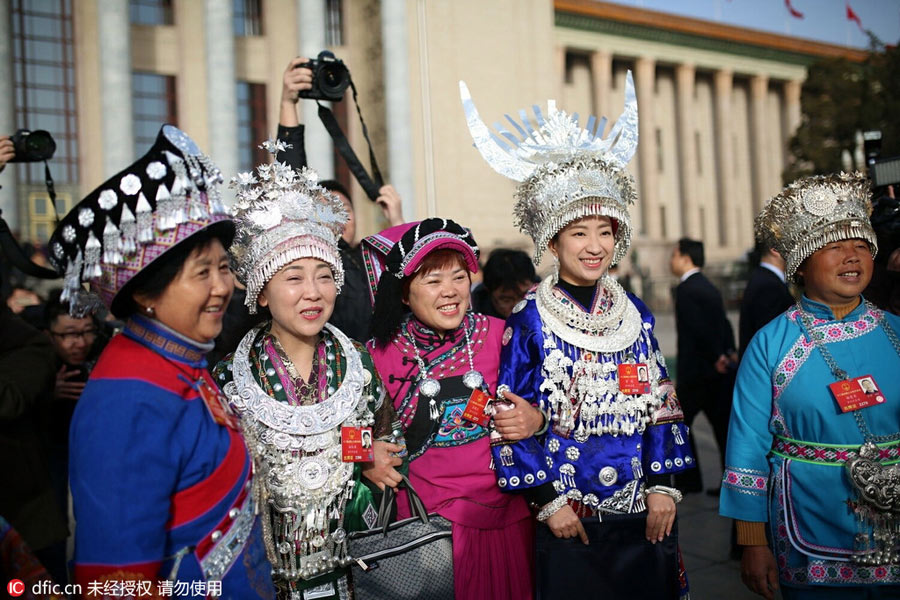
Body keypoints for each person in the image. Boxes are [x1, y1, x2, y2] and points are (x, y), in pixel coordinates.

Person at [461, 73, 693, 599]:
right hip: (570, 511)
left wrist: (663, 487)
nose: (594, 247)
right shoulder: (530, 318)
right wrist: (548, 501)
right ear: (552, 241)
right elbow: (507, 417)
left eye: (606, 232)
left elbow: (662, 403)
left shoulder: (633, 312)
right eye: (579, 233)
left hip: (643, 506)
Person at [53, 125, 275, 598]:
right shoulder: (128, 401)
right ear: (146, 292)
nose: (223, 287)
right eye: (202, 273)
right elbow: (117, 582)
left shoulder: (181, 362)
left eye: (223, 268)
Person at [215, 145, 402, 600]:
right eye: (294, 278)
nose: (313, 293)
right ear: (261, 292)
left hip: (356, 575)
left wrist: (374, 457)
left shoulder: (355, 361)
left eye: (324, 275)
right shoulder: (228, 380)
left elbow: (390, 433)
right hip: (264, 580)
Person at [721, 172, 900, 599]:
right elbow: (747, 447)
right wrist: (752, 540)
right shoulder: (772, 344)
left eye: (860, 245)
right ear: (801, 262)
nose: (851, 257)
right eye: (835, 247)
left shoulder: (895, 332)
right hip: (809, 523)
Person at [367, 218, 534, 600]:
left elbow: (548, 410)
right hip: (426, 526)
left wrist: (535, 420)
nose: (450, 291)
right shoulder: (378, 353)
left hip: (508, 516)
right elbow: (346, 430)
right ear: (405, 294)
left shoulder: (502, 335)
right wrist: (366, 457)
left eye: (459, 278)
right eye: (433, 280)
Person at [277, 57, 404, 341]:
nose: (338, 217)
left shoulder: (369, 259)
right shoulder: (308, 257)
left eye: (344, 209)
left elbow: (408, 277)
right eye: (325, 210)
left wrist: (395, 219)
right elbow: (291, 181)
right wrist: (288, 104)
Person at [670, 237, 736, 494]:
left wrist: (715, 355)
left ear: (685, 258)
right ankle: (729, 481)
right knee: (722, 429)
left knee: (679, 424)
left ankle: (689, 481)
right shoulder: (709, 286)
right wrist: (727, 352)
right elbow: (723, 323)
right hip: (716, 371)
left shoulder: (687, 290)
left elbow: (699, 330)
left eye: (674, 255)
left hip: (697, 373)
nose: (671, 261)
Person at [739, 241, 794, 358]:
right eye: (791, 243)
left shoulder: (764, 279)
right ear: (774, 249)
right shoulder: (768, 286)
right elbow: (772, 339)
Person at [470, 248, 538, 319]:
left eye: (526, 296)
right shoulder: (475, 320)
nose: (518, 307)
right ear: (488, 293)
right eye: (507, 300)